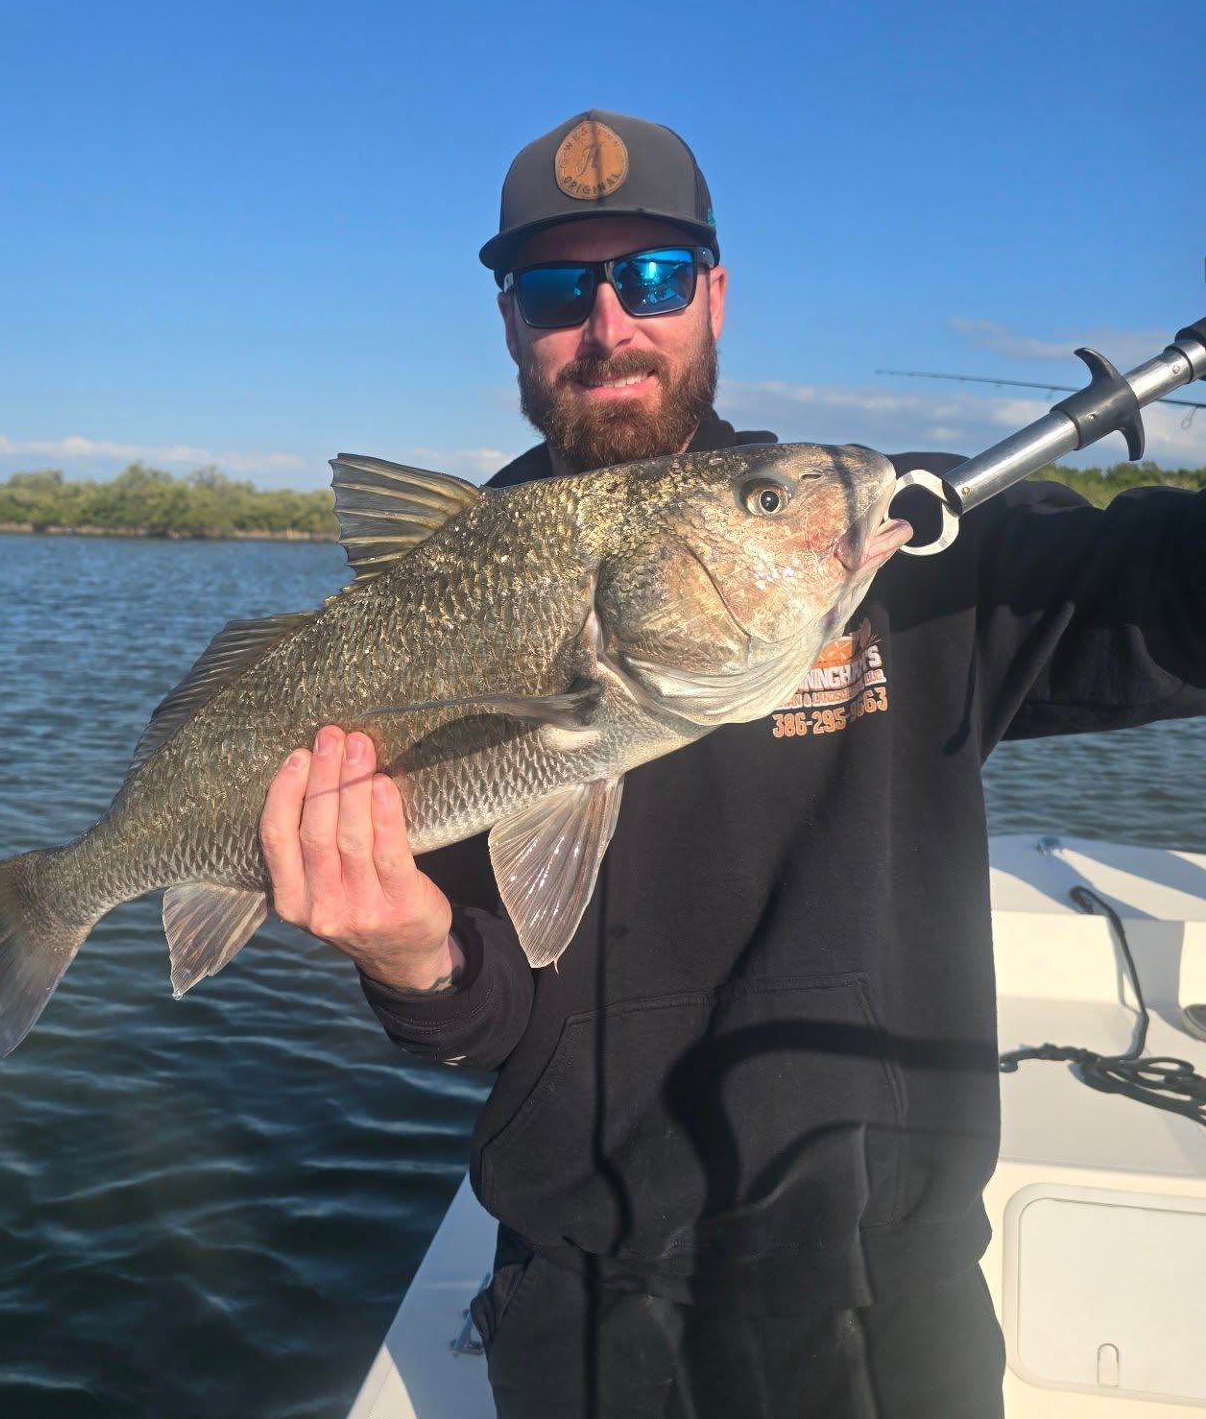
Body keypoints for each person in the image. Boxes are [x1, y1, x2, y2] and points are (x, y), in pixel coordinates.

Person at [258, 110, 1206, 1417]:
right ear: (511, 320)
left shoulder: (896, 527)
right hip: (578, 1300)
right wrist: (410, 957)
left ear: (712, 291)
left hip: (888, 1293)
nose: (607, 326)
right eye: (555, 287)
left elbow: (1177, 604)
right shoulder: (447, 595)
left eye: (648, 277)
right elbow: (484, 1023)